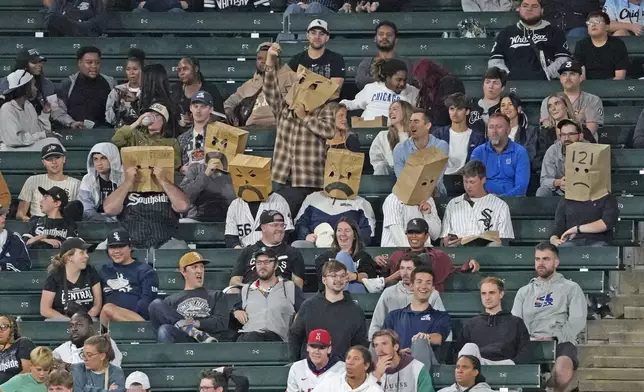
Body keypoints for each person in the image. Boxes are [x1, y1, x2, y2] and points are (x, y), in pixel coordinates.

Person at [264, 43, 336, 215]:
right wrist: (270, 62)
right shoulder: (283, 108)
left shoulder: (325, 108)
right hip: (283, 178)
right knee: (279, 221)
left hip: (310, 180)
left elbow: (329, 131)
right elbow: (270, 91)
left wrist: (305, 117)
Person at [512, 242, 587, 392]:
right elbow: (515, 322)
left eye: (546, 259)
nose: (540, 263)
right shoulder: (524, 292)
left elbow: (577, 320)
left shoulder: (571, 288)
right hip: (529, 343)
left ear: (556, 262)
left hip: (560, 341)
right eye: (537, 259)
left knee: (562, 372)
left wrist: (559, 337)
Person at [102, 156, 189, 251]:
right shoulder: (124, 190)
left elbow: (182, 206)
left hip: (166, 243)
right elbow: (109, 209)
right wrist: (128, 181)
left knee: (181, 248)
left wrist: (163, 180)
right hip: (131, 245)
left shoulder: (169, 189)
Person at [289, 260, 368, 361]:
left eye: (342, 275)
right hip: (310, 370)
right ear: (324, 280)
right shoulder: (309, 306)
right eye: (333, 275)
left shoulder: (356, 311)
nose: (339, 279)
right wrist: (295, 364)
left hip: (342, 371)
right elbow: (295, 335)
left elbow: (360, 346)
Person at [376, 218, 480, 292]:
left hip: (429, 297)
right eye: (410, 233)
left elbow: (452, 271)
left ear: (426, 236)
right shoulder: (397, 255)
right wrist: (377, 261)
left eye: (418, 233)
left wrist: (469, 264)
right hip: (402, 297)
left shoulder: (439, 256)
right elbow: (382, 271)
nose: (413, 236)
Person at [148, 252, 229, 343]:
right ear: (183, 271)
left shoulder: (217, 295)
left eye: (202, 267)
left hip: (207, 340)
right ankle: (192, 331)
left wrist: (196, 323)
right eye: (194, 267)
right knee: (157, 308)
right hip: (182, 340)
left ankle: (196, 333)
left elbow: (221, 323)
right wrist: (187, 327)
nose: (200, 270)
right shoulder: (170, 300)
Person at [232, 248, 304, 342]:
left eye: (267, 262)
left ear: (276, 265)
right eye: (259, 262)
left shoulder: (290, 287)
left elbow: (304, 311)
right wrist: (236, 311)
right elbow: (236, 309)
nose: (262, 266)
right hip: (248, 337)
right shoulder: (246, 289)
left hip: (278, 340)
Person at [489, 0, 571, 80]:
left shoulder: (555, 32)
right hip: (512, 84)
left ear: (542, 10)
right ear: (519, 9)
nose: (529, 9)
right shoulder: (506, 33)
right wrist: (508, 75)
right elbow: (495, 61)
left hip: (545, 84)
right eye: (525, 6)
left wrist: (546, 74)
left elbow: (563, 59)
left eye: (534, 6)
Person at [440, 160, 515, 247]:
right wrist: (446, 240)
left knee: (495, 245)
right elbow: (443, 238)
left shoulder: (500, 205)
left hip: (488, 254)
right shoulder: (453, 204)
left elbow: (504, 239)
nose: (468, 186)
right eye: (465, 182)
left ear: (483, 180)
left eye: (472, 182)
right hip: (460, 251)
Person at [369, 254, 445, 340]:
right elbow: (376, 323)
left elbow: (442, 325)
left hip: (421, 344)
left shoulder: (431, 294)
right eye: (402, 268)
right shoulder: (389, 293)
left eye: (409, 269)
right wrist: (373, 343)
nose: (404, 273)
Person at [458, 277, 530, 365]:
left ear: (501, 294)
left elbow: (525, 353)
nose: (487, 298)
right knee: (469, 348)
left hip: (506, 367)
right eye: (483, 294)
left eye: (491, 293)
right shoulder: (470, 325)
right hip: (477, 367)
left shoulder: (516, 323)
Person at [224, 42, 298, 127]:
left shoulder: (291, 77)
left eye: (267, 58)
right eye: (260, 58)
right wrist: (229, 111)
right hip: (252, 129)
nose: (263, 61)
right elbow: (229, 103)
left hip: (280, 128)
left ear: (278, 60)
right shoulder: (249, 84)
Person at [98, 228, 159, 325]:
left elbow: (146, 303)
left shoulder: (145, 270)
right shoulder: (102, 270)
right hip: (108, 322)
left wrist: (121, 313)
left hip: (137, 317)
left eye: (121, 246)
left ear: (130, 247)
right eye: (112, 247)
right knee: (107, 309)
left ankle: (145, 329)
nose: (116, 251)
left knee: (108, 308)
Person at [229, 210, 305, 289]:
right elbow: (234, 281)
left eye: (282, 225)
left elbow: (298, 284)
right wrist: (250, 288)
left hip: (279, 295)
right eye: (275, 225)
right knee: (232, 291)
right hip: (250, 295)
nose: (280, 229)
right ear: (263, 228)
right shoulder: (248, 251)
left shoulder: (293, 252)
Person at [383, 266, 451, 353]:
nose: (424, 286)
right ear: (411, 285)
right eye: (419, 282)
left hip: (426, 364)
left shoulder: (441, 316)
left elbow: (438, 338)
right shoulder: (393, 316)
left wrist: (425, 338)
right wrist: (400, 356)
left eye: (428, 283)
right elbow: (385, 342)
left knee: (420, 342)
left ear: (433, 288)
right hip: (399, 363)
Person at [52, 46, 115, 129]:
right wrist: (71, 123)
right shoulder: (67, 84)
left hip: (103, 133)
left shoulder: (110, 82)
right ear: (79, 62)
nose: (94, 66)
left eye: (97, 62)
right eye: (89, 62)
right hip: (74, 132)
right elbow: (56, 111)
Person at [40, 238, 101, 321]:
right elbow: (45, 310)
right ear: (69, 257)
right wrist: (70, 321)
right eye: (82, 252)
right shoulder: (55, 276)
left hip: (87, 319)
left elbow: (97, 304)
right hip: (62, 320)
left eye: (86, 252)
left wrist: (84, 319)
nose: (87, 256)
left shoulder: (91, 272)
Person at [470, 113, 530, 197]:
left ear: (508, 130)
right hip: (483, 200)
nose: (494, 131)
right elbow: (473, 182)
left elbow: (521, 186)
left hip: (512, 201)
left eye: (498, 127)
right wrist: (487, 197)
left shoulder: (520, 152)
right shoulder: (478, 152)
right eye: (491, 127)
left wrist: (501, 198)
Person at [538, 60, 604, 136]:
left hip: (585, 145)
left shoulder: (592, 100)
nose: (568, 78)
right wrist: (577, 120)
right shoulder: (548, 101)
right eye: (564, 74)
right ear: (560, 79)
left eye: (572, 74)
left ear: (581, 78)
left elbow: (589, 133)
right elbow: (547, 130)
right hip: (556, 144)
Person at [17, 144, 81, 222]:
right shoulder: (32, 180)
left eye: (57, 157)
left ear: (64, 159)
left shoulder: (76, 184)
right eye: (49, 159)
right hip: (37, 225)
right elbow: (20, 213)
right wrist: (31, 222)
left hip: (63, 227)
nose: (54, 162)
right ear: (43, 162)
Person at [313, 218, 380, 292]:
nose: (343, 234)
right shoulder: (324, 257)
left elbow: (370, 279)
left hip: (356, 294)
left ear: (354, 235)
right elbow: (323, 280)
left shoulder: (364, 257)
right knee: (342, 256)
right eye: (339, 230)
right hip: (331, 293)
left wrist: (354, 276)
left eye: (347, 230)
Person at [393, 109, 449, 195]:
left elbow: (435, 178)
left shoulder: (441, 146)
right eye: (410, 122)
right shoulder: (400, 148)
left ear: (428, 125)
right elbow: (402, 179)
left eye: (416, 121)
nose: (411, 125)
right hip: (408, 192)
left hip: (434, 192)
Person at [340, 59, 418, 120]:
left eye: (405, 80)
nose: (402, 84)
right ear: (387, 77)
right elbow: (353, 104)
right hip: (368, 128)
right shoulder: (371, 88)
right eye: (398, 80)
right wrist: (341, 106)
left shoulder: (412, 91)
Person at [0, 70, 58, 151]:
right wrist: (41, 135)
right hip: (10, 150)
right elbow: (13, 140)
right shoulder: (7, 108)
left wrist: (45, 113)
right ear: (25, 88)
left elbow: (37, 131)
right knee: (53, 144)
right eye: (33, 85)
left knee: (54, 143)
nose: (36, 88)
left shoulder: (29, 106)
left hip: (28, 146)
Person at [294, 189, 376, 247]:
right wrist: (306, 235)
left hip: (346, 248)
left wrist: (348, 241)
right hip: (315, 244)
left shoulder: (361, 203)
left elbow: (367, 232)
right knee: (298, 245)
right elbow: (300, 223)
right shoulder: (312, 198)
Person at [536, 93, 595, 170]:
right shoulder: (545, 133)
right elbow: (537, 162)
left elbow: (595, 154)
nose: (553, 108)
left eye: (557, 104)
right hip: (555, 176)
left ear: (566, 106)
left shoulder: (582, 130)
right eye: (550, 106)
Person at [111, 103, 181, 169]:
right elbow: (116, 140)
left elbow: (176, 164)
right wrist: (137, 123)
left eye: (156, 116)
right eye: (149, 115)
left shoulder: (171, 142)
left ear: (164, 121)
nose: (151, 118)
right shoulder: (135, 136)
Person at [224, 182, 293, 249]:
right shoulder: (235, 204)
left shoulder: (279, 201)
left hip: (273, 252)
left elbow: (286, 233)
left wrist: (268, 252)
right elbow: (230, 237)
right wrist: (241, 253)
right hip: (243, 251)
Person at [550, 183, 619, 247]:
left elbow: (606, 223)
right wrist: (554, 239)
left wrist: (576, 229)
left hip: (599, 240)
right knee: (565, 249)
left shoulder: (607, 197)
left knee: (599, 249)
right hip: (572, 241)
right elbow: (558, 228)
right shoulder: (566, 199)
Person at [433, 93, 485, 175]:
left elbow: (477, 165)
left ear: (467, 111)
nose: (455, 113)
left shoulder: (477, 138)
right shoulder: (439, 134)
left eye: (459, 109)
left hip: (466, 181)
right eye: (452, 109)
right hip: (441, 180)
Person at [381, 176, 441, 246]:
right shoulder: (393, 199)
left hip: (423, 251)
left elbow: (435, 235)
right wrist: (415, 251)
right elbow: (397, 232)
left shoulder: (428, 200)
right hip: (394, 249)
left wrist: (428, 214)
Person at [287, 20, 346, 90]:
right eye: (313, 33)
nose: (317, 37)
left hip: (327, 100)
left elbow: (334, 90)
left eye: (321, 34)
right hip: (300, 99)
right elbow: (286, 86)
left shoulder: (336, 59)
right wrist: (296, 79)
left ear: (327, 37)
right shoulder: (296, 59)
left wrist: (304, 83)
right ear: (307, 35)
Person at [180, 151, 236, 222]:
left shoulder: (235, 172)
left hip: (228, 220)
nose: (217, 152)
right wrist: (206, 174)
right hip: (199, 219)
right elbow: (184, 197)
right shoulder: (196, 169)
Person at [356, 21, 412, 90]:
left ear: (396, 40)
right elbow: (360, 82)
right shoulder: (367, 62)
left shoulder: (404, 62)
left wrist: (375, 80)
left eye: (389, 35)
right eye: (381, 34)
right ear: (375, 38)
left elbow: (408, 83)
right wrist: (392, 80)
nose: (384, 37)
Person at [172, 57, 225, 130]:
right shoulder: (175, 90)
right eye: (179, 70)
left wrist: (198, 119)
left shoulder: (210, 89)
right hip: (178, 136)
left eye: (185, 69)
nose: (181, 73)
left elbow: (220, 117)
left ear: (196, 69)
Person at [52, 311, 122, 366]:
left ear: (90, 328)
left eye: (79, 325)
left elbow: (114, 370)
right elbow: (48, 360)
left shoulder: (105, 343)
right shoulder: (65, 348)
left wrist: (67, 366)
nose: (74, 329)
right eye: (71, 325)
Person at [0, 48, 56, 116]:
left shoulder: (47, 84)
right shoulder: (5, 83)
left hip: (39, 123)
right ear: (23, 65)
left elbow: (54, 110)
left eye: (40, 62)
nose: (40, 65)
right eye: (34, 62)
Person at [536, 119, 585, 197]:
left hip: (583, 192)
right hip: (559, 192)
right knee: (542, 191)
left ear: (580, 136)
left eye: (571, 134)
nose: (566, 138)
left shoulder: (590, 150)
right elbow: (544, 180)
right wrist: (558, 182)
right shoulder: (553, 150)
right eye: (563, 135)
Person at [575, 11, 629, 80]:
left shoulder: (618, 44)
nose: (593, 25)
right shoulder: (581, 45)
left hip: (612, 85)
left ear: (607, 26)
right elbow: (581, 76)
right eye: (589, 23)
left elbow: (620, 76)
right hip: (588, 86)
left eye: (597, 22)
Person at [78, 143, 123, 222]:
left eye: (103, 158)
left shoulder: (123, 179)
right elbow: (87, 210)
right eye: (95, 159)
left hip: (122, 223)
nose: (99, 163)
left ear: (112, 159)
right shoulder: (88, 179)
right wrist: (106, 220)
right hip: (95, 223)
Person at [370, 101, 412, 175]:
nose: (390, 112)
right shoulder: (382, 135)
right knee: (381, 167)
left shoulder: (416, 135)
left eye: (395, 109)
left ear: (406, 112)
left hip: (411, 173)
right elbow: (377, 160)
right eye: (390, 110)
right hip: (389, 175)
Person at [311, 346, 381, 392]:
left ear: (366, 365)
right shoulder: (331, 383)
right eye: (348, 358)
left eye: (356, 359)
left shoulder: (374, 390)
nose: (350, 362)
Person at [105, 49, 145, 127]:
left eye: (135, 69)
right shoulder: (117, 90)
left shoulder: (148, 90)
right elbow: (109, 119)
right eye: (128, 69)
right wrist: (116, 106)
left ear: (142, 70)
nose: (131, 73)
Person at [177, 91, 212, 171]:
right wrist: (181, 169)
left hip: (212, 180)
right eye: (195, 106)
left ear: (211, 109)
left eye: (203, 106)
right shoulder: (182, 138)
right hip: (189, 181)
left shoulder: (219, 135)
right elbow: (178, 167)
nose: (198, 110)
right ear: (190, 108)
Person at [499, 93, 538, 165]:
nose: (506, 108)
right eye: (503, 105)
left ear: (519, 109)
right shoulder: (496, 132)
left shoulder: (530, 131)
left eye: (510, 104)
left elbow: (529, 156)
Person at [468, 67, 506, 134]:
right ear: (483, 85)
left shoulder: (506, 108)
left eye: (495, 83)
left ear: (502, 88)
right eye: (487, 82)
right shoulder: (471, 105)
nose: (491, 86)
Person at [0, 314, 35, 384]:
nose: (0, 330)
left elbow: (27, 372)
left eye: (4, 326)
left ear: (13, 329)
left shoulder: (23, 343)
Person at [0, 204, 31, 272]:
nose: (4, 217)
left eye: (3, 215)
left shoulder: (14, 239)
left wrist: (5, 267)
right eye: (0, 215)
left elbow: (25, 265)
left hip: (10, 281)